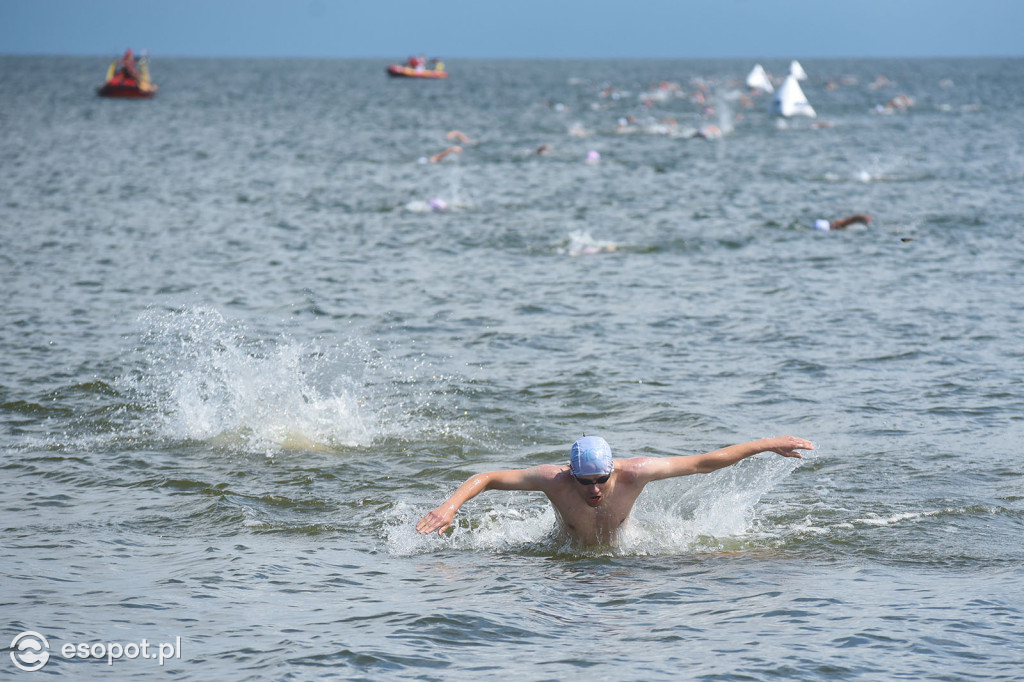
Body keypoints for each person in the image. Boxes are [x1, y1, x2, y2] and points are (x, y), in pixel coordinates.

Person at [417, 434, 813, 546]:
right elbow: (487, 477)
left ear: (612, 470)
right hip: (564, 556)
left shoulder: (634, 473)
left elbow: (704, 462)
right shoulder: (552, 480)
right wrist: (449, 507)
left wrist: (765, 443)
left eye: (600, 480)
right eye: (583, 481)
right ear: (570, 473)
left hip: (623, 555)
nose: (593, 490)